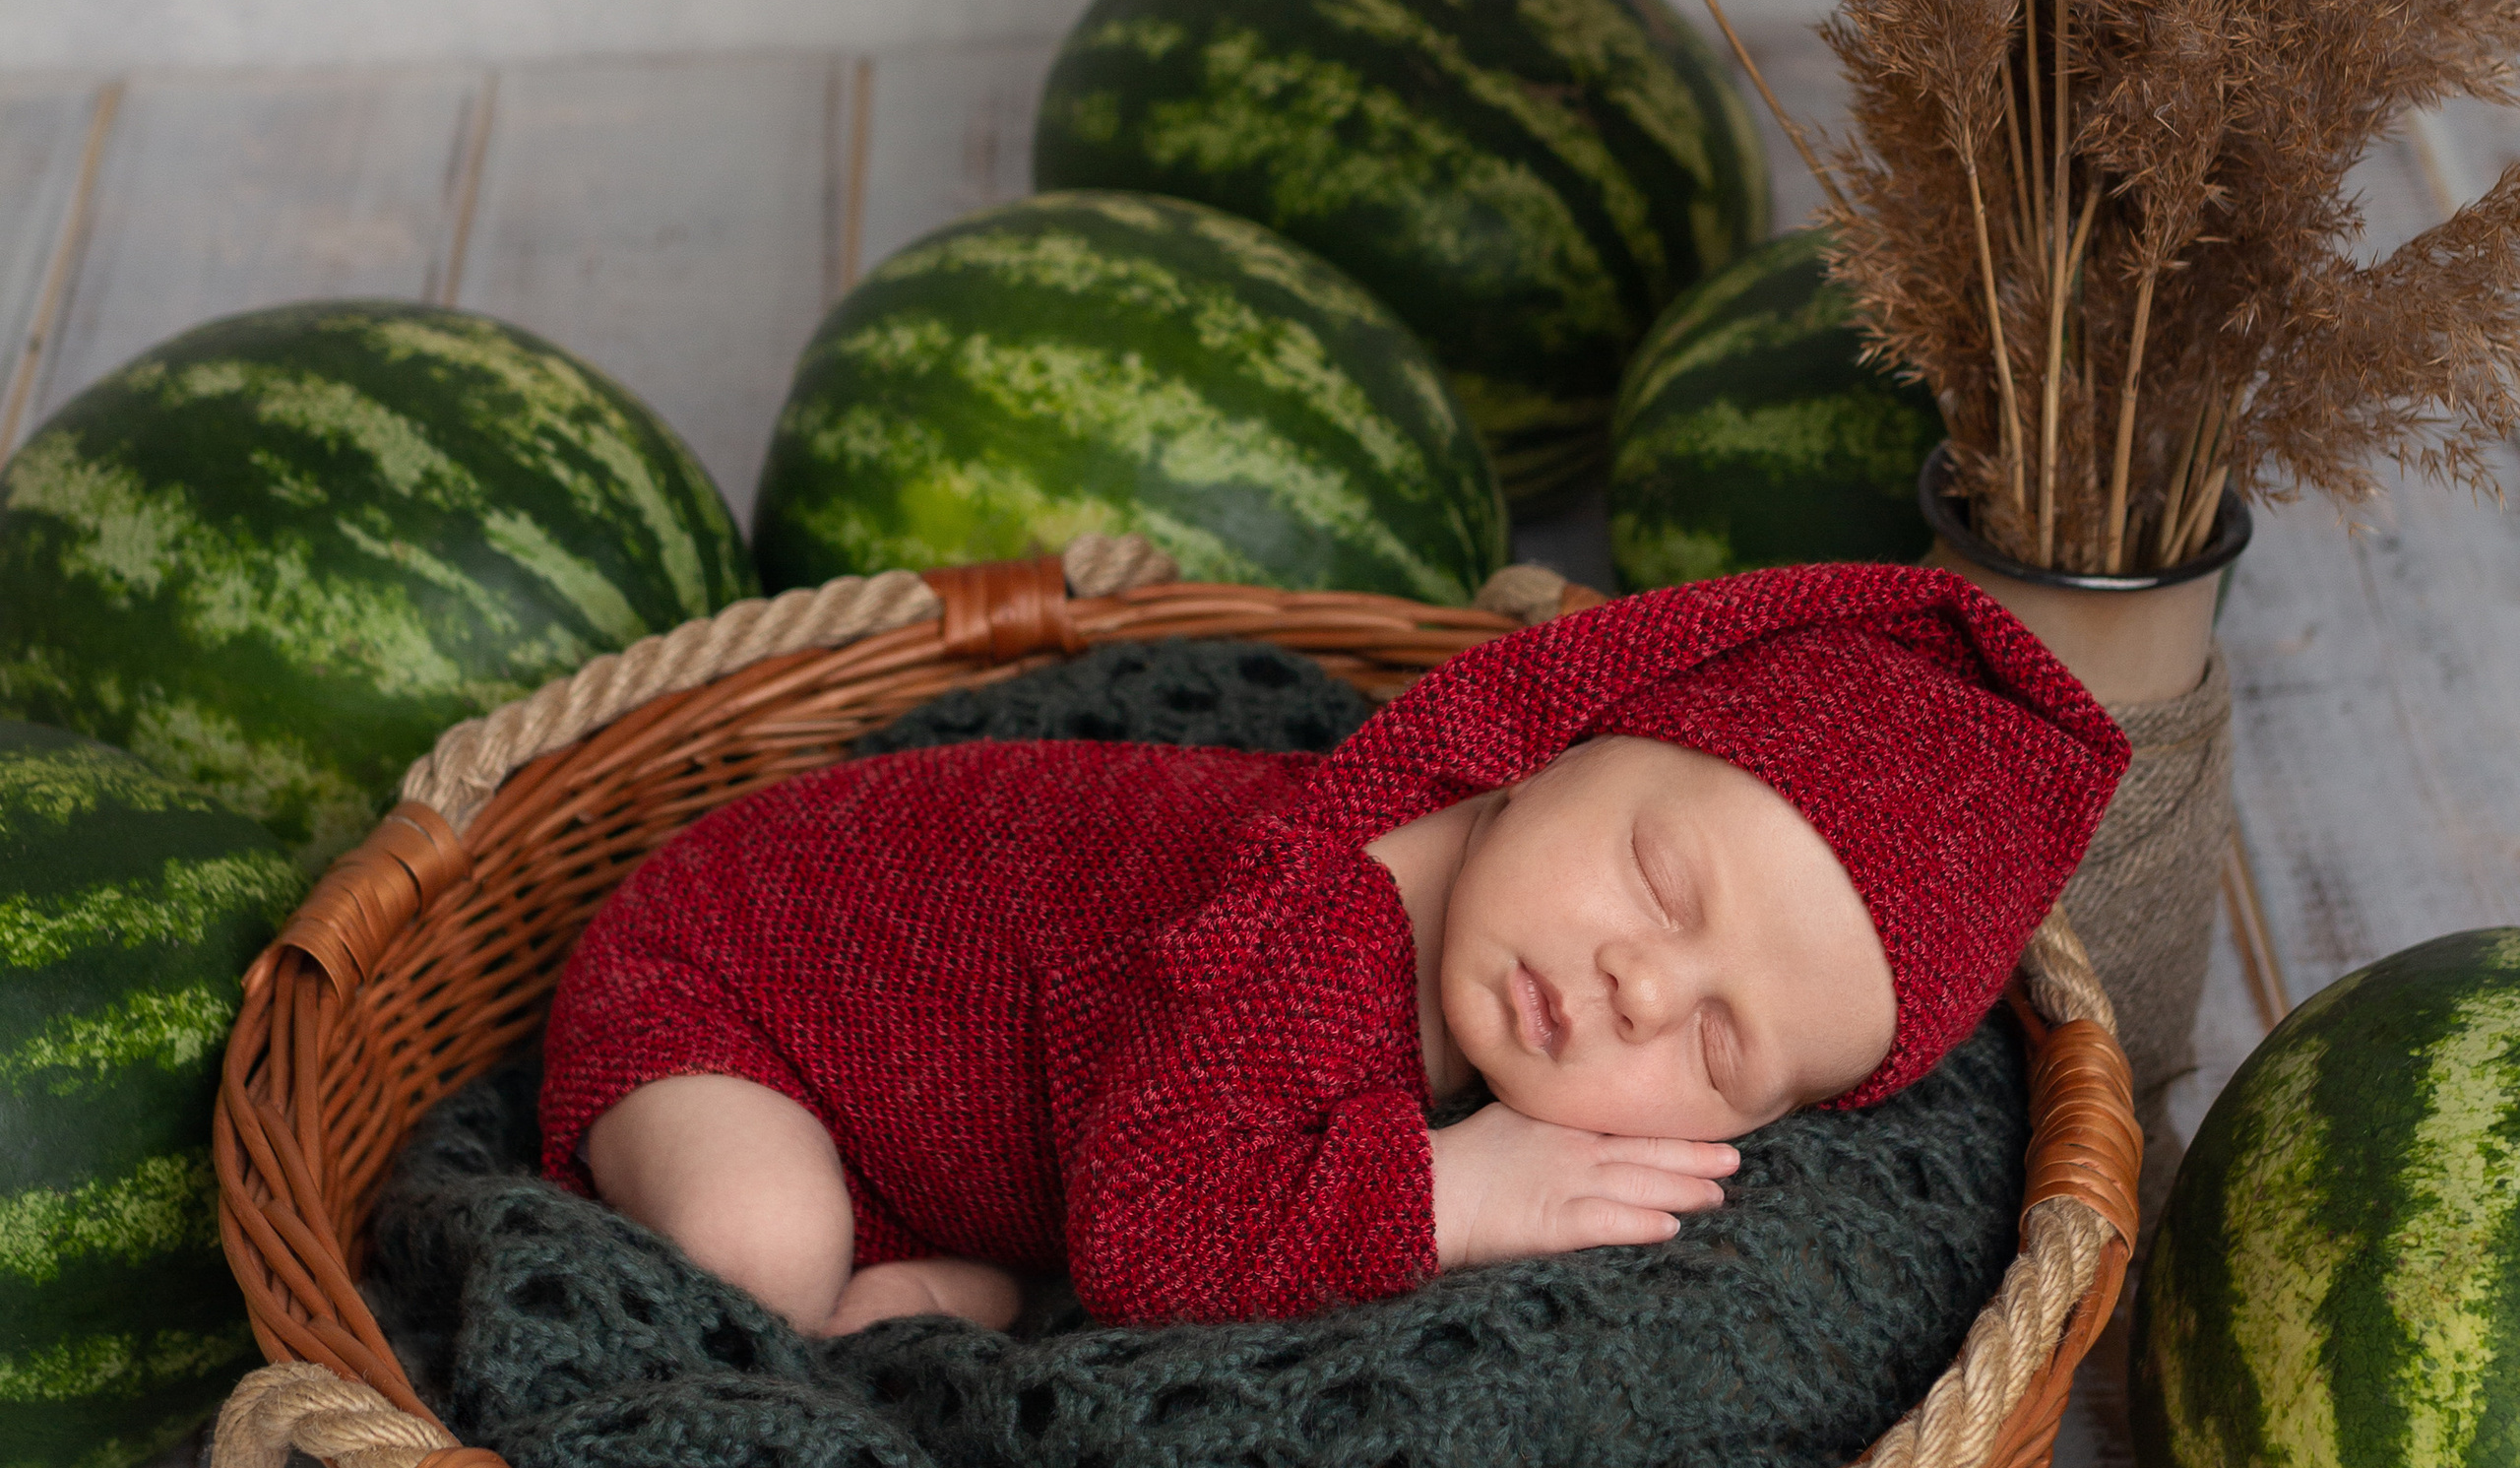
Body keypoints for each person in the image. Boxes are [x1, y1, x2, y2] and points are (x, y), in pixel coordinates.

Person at [539, 560, 2126, 1336]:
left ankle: (885, 1269)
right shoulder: (1322, 933)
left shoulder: (1488, 952)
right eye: (1658, 873)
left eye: (1717, 1051)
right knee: (757, 1246)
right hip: (730, 980)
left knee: (862, 1243)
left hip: (942, 1116)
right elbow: (1147, 1238)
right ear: (1552, 747)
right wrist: (1451, 1194)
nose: (1645, 984)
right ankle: (823, 1310)